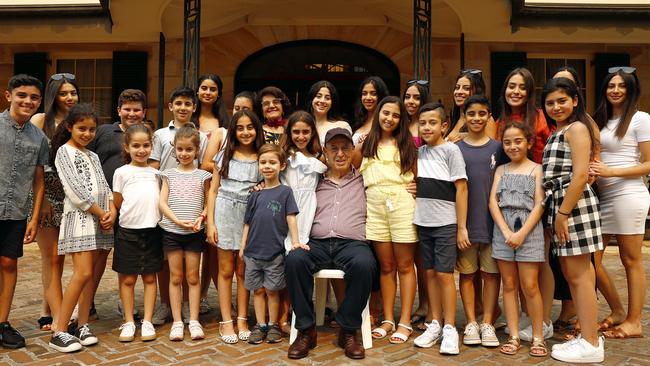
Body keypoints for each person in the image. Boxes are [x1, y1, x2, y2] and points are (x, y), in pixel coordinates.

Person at [285, 127, 377, 360]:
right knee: (295, 260)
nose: (340, 154)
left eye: (345, 148)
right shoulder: (314, 178)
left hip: (352, 244)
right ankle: (306, 330)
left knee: (365, 264)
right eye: (333, 148)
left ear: (352, 150)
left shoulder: (364, 177)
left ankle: (347, 328)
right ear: (324, 152)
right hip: (317, 243)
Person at [541, 78, 604, 363]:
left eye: (562, 101)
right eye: (550, 102)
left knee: (578, 275)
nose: (555, 107)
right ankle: (589, 336)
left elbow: (580, 175)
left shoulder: (578, 128)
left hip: (572, 206)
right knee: (577, 275)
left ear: (575, 101)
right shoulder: (561, 130)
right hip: (563, 204)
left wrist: (563, 214)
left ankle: (591, 343)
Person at [49, 103, 116, 353]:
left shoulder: (94, 155)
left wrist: (112, 211)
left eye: (91, 129)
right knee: (83, 273)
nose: (87, 134)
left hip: (100, 220)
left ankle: (82, 325)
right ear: (69, 127)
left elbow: (105, 187)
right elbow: (75, 191)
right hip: (80, 220)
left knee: (90, 276)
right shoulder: (64, 152)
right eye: (81, 129)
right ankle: (60, 330)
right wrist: (101, 213)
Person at [591, 66, 649, 339]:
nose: (615, 90)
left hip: (629, 195)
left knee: (630, 259)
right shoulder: (600, 120)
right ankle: (615, 311)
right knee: (591, 259)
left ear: (631, 90)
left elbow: (648, 164)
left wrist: (611, 172)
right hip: (603, 197)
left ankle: (633, 321)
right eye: (611, 85)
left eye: (622, 86)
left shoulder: (641, 119)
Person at [355, 96, 418, 344]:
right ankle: (388, 318)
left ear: (401, 119)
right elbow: (352, 173)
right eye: (386, 113)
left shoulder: (408, 145)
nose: (389, 118)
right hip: (375, 206)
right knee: (386, 266)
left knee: (405, 265)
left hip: (402, 204)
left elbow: (418, 177)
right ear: (378, 114)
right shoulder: (365, 144)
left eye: (395, 115)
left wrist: (417, 189)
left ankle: (405, 321)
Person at [411, 103, 467, 355]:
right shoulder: (418, 153)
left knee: (445, 275)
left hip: (445, 222)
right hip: (423, 222)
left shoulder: (451, 150)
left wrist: (461, 226)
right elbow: (416, 182)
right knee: (430, 273)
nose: (427, 127)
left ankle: (450, 328)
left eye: (432, 122)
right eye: (423, 123)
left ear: (444, 126)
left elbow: (462, 189)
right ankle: (434, 323)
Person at [149, 87, 208, 325]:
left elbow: (205, 180)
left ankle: (187, 309)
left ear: (194, 107)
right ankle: (167, 306)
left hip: (192, 209)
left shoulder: (202, 138)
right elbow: (153, 166)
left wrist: (202, 216)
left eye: (188, 103)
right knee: (166, 264)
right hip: (167, 207)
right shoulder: (161, 135)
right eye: (178, 103)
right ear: (170, 105)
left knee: (191, 272)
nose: (183, 107)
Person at [88, 88, 147, 322]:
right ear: (119, 110)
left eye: (136, 110)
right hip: (104, 205)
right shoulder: (103, 132)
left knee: (129, 258)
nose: (131, 114)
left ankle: (127, 305)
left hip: (132, 207)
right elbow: (90, 160)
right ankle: (87, 302)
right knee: (99, 255)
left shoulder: (145, 133)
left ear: (144, 112)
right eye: (127, 109)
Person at [206, 110, 264, 344]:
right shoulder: (224, 155)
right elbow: (213, 190)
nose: (245, 132)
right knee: (225, 270)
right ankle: (226, 320)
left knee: (243, 270)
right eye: (240, 128)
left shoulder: (262, 157)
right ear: (233, 131)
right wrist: (210, 223)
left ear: (256, 129)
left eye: (250, 127)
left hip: (249, 218)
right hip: (224, 212)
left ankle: (242, 318)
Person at [489, 122, 546, 357]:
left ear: (529, 142)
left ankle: (537, 336)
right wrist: (505, 231)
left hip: (530, 232)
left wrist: (521, 234)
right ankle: (513, 335)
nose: (513, 146)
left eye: (518, 141)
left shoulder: (537, 169)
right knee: (509, 285)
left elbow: (540, 203)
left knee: (530, 286)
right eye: (508, 142)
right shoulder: (501, 170)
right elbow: (493, 202)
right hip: (502, 232)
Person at [0, 74, 47, 349]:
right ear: (9, 96)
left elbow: (38, 181)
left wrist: (34, 217)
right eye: (22, 95)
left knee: (8, 264)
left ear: (39, 101)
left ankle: (2, 322)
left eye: (33, 97)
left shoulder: (39, 137)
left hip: (16, 212)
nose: (27, 101)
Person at [30, 73, 79, 331]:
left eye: (72, 92)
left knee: (68, 256)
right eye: (63, 93)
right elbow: (34, 164)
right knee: (50, 258)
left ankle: (56, 308)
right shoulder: (40, 120)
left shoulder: (78, 121)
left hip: (72, 197)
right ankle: (52, 313)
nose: (69, 97)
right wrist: (41, 203)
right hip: (47, 195)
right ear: (53, 96)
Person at [239, 144, 300, 344]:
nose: (267, 166)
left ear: (282, 166)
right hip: (253, 252)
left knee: (272, 290)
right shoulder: (255, 194)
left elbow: (291, 218)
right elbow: (247, 222)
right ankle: (260, 324)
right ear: (258, 165)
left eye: (272, 162)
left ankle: (273, 324)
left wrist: (296, 242)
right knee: (257, 290)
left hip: (274, 252)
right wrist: (242, 246)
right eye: (263, 162)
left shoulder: (285, 192)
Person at [455, 95, 501, 348]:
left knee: (492, 275)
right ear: (464, 116)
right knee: (468, 274)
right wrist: (459, 227)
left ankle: (488, 322)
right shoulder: (456, 148)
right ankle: (471, 322)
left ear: (488, 116)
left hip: (493, 223)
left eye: (482, 113)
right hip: (466, 225)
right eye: (471, 114)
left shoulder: (498, 148)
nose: (476, 118)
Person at [158, 125, 212, 341]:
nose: (184, 153)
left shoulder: (203, 176)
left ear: (196, 150)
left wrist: (202, 217)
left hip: (194, 233)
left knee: (192, 276)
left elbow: (209, 201)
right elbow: (162, 202)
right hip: (171, 232)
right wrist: (177, 220)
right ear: (174, 149)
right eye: (180, 149)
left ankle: (194, 320)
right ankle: (178, 321)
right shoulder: (168, 175)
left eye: (189, 149)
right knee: (175, 276)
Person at [112, 124, 162, 342]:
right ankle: (129, 321)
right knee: (128, 280)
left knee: (150, 278)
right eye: (136, 146)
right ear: (127, 147)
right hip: (127, 232)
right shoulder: (121, 172)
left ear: (151, 146)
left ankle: (148, 320)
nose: (141, 150)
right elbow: (117, 201)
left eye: (146, 145)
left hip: (152, 231)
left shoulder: (157, 174)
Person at [193, 74, 229, 316]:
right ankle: (192, 297)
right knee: (192, 246)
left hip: (216, 189)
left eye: (213, 89)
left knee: (212, 247)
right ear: (197, 91)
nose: (208, 92)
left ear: (219, 93)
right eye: (204, 88)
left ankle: (207, 294)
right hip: (190, 187)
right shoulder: (190, 119)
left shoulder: (224, 122)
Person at [497, 67, 551, 164]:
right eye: (511, 86)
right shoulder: (499, 122)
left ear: (529, 93)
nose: (516, 91)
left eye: (523, 88)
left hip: (539, 175)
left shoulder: (541, 117)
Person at [446, 69, 496, 142]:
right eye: (457, 87)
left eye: (466, 88)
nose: (459, 92)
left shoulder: (487, 120)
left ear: (477, 91)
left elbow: (490, 149)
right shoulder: (454, 118)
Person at [305, 80, 351, 146]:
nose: (322, 101)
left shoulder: (341, 126)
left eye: (327, 98)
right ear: (311, 99)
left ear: (332, 102)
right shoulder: (302, 125)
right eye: (318, 96)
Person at [352, 76, 389, 145]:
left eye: (373, 93)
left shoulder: (385, 122)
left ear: (381, 96)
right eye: (364, 93)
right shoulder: (360, 121)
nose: (368, 98)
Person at [403, 79, 430, 147]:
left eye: (417, 98)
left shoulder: (429, 126)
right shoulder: (401, 123)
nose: (410, 101)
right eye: (407, 97)